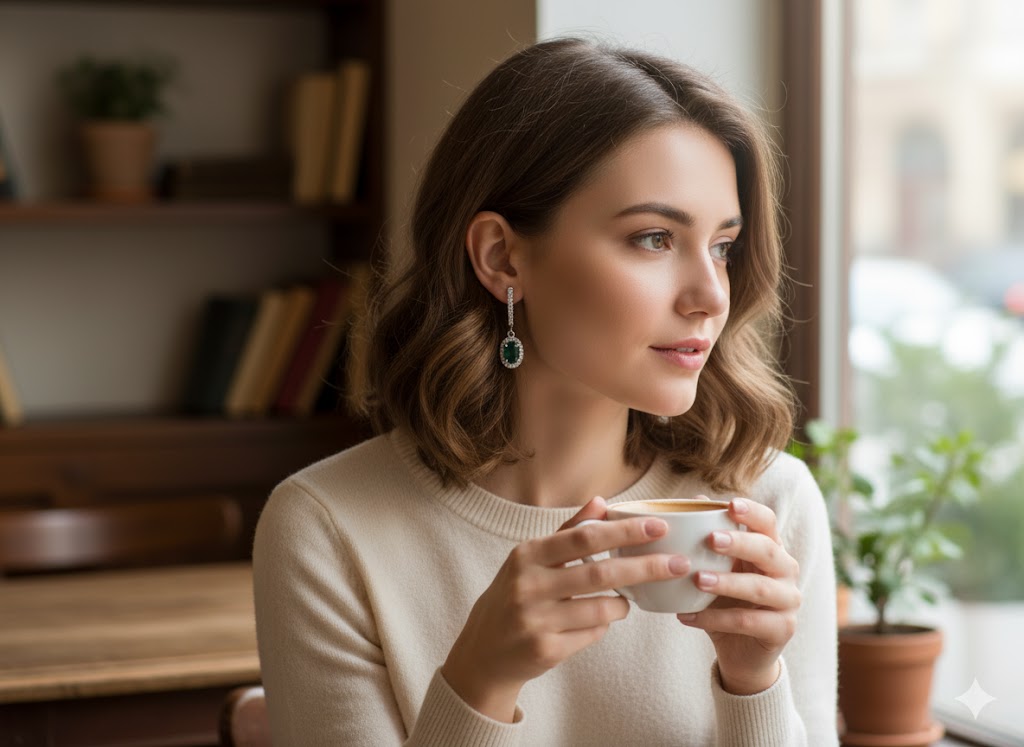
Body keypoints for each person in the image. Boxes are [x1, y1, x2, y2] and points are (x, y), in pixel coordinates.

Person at [253, 37, 838, 746]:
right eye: (654, 238)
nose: (711, 295)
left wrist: (754, 685)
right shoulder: (328, 527)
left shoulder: (768, 506)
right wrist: (477, 684)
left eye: (722, 245)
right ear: (503, 257)